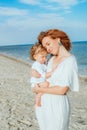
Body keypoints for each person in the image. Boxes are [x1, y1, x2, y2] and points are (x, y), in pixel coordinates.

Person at [32, 29, 79, 130]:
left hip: (57, 105)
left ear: (58, 40)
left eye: (48, 44)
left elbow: (62, 90)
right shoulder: (51, 59)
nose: (47, 49)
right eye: (45, 46)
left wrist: (39, 89)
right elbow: (41, 76)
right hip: (43, 104)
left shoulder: (70, 60)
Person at [30, 43, 56, 107]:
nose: (44, 58)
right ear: (35, 57)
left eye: (46, 56)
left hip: (40, 81)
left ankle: (39, 96)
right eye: (42, 57)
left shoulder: (43, 63)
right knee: (47, 84)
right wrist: (53, 72)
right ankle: (38, 97)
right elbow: (44, 75)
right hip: (37, 82)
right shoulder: (37, 65)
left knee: (47, 84)